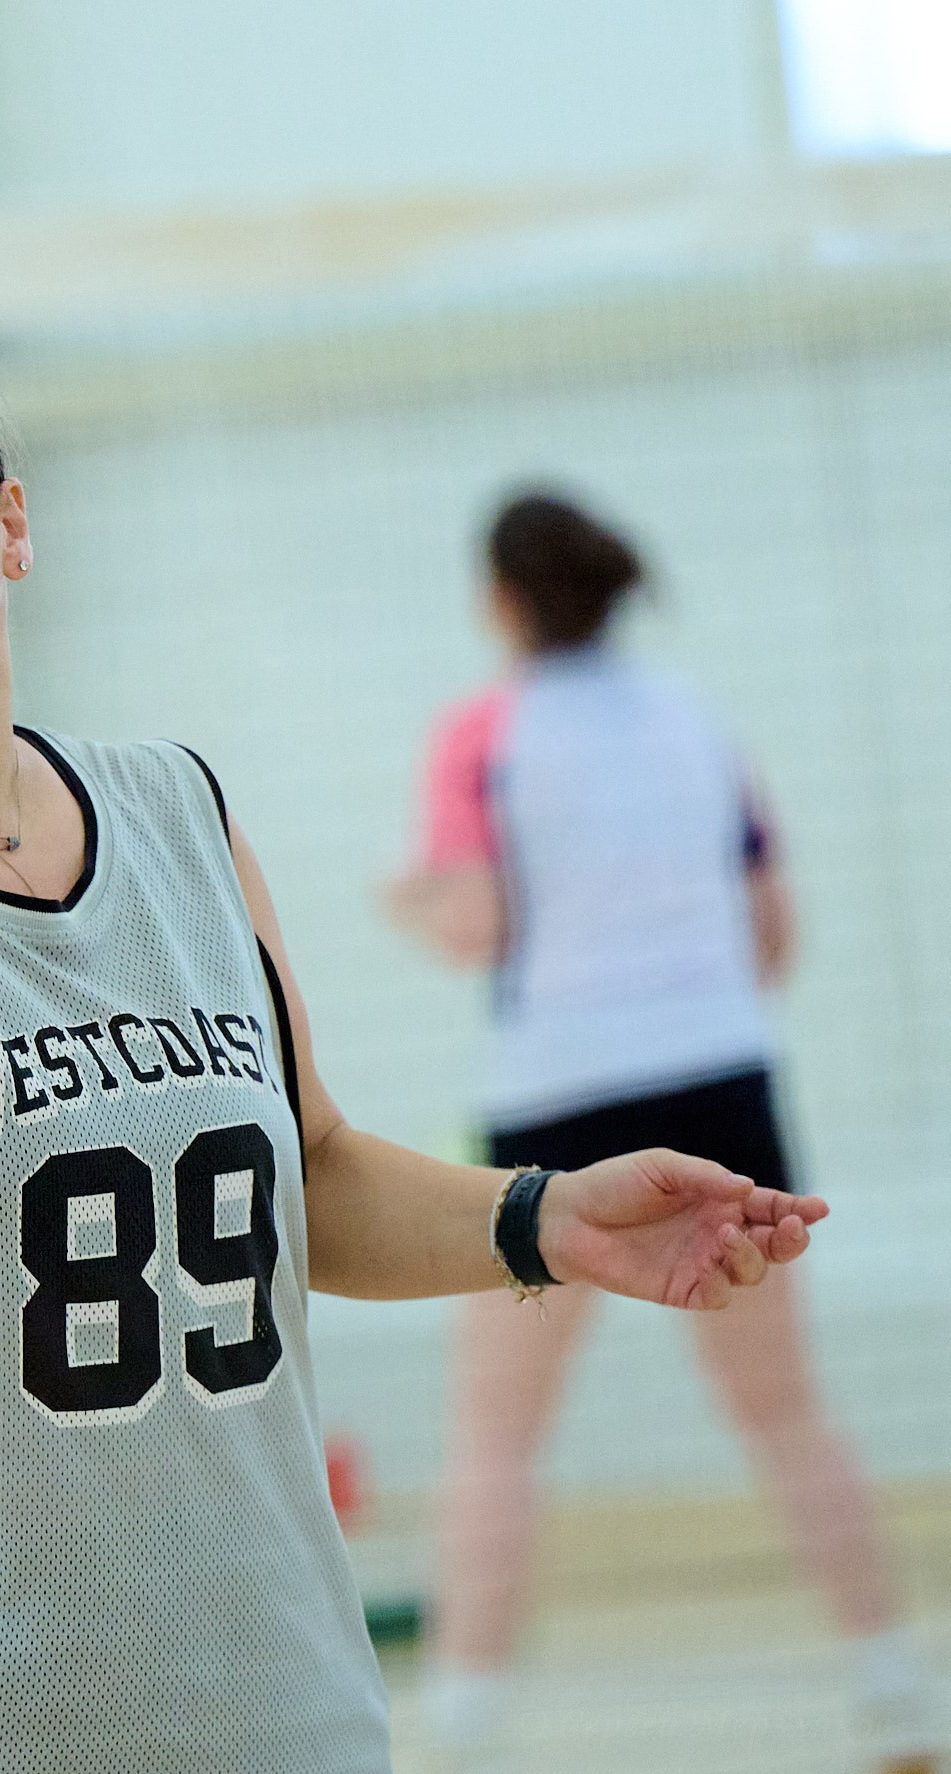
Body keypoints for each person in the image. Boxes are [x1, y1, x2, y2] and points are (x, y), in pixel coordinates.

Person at [0, 325, 824, 1772]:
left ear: (9, 521)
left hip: (254, 1709)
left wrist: (546, 1216)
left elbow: (306, 1172)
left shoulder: (178, 815)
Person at [388, 492, 938, 1773]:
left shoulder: (483, 731)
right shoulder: (698, 723)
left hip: (557, 1100)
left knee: (495, 1430)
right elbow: (772, 936)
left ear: (502, 601)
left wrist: (408, 896)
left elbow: (472, 926)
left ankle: (461, 1733)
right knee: (788, 1416)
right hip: (720, 1087)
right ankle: (898, 1697)